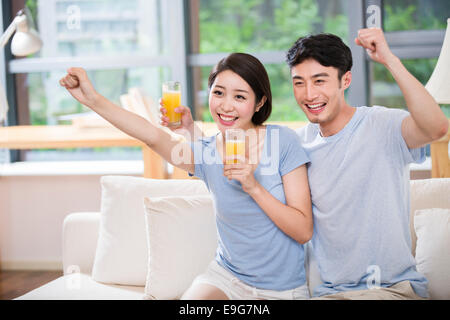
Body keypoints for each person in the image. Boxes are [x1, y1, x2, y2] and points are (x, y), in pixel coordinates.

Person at [59, 53, 313, 300]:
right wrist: (92, 99)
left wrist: (254, 187)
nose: (226, 105)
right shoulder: (206, 153)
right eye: (218, 92)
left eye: (239, 96)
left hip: (282, 289)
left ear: (259, 103)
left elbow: (303, 231)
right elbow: (153, 136)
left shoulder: (283, 142)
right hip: (228, 277)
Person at [284, 28, 448, 299]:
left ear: (345, 80)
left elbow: (437, 128)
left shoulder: (381, 125)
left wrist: (390, 60)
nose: (308, 94)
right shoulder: (298, 146)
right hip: (329, 294)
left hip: (390, 289)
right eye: (299, 82)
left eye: (319, 80)